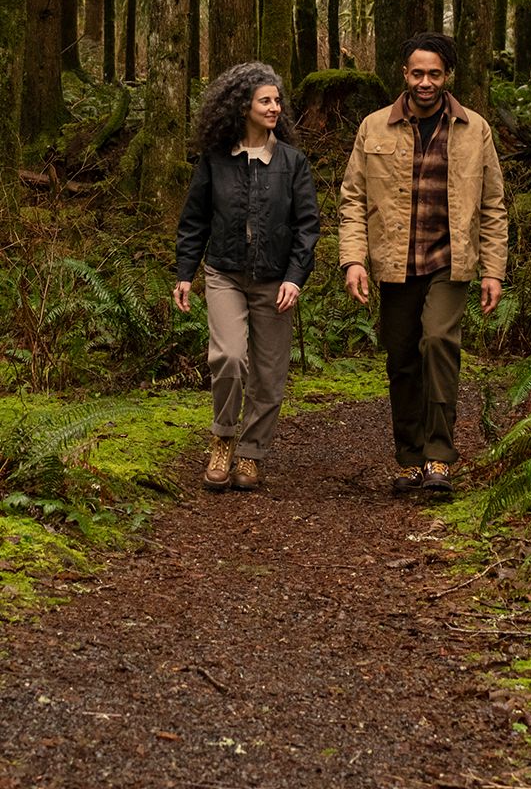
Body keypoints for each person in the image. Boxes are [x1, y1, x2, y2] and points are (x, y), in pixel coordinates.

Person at [338, 32, 508, 493]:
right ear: (404, 75)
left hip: (449, 262)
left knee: (438, 342)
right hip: (394, 264)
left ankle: (439, 456)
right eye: (418, 73)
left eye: (434, 73)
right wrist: (353, 260)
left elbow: (493, 205)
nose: (426, 82)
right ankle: (409, 458)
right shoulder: (374, 127)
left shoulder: (475, 129)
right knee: (401, 359)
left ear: (447, 76)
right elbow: (352, 198)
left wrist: (493, 269)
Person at [174, 62, 320, 491]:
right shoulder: (216, 161)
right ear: (243, 106)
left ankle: (251, 453)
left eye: (277, 101)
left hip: (276, 280)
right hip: (225, 274)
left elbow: (308, 226)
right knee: (229, 358)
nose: (275, 108)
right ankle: (222, 438)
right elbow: (194, 220)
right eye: (266, 101)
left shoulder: (293, 163)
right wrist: (186, 272)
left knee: (270, 374)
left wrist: (295, 277)